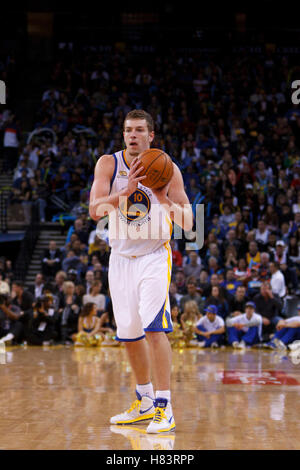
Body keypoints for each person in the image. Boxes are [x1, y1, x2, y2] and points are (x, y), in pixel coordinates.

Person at [89, 109, 193, 433]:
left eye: (138, 130)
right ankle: (144, 400)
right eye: (127, 130)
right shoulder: (109, 164)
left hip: (153, 257)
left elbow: (190, 224)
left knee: (153, 329)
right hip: (120, 259)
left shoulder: (168, 169)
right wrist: (125, 191)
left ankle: (165, 406)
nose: (132, 135)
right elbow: (95, 211)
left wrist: (163, 199)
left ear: (151, 136)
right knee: (129, 335)